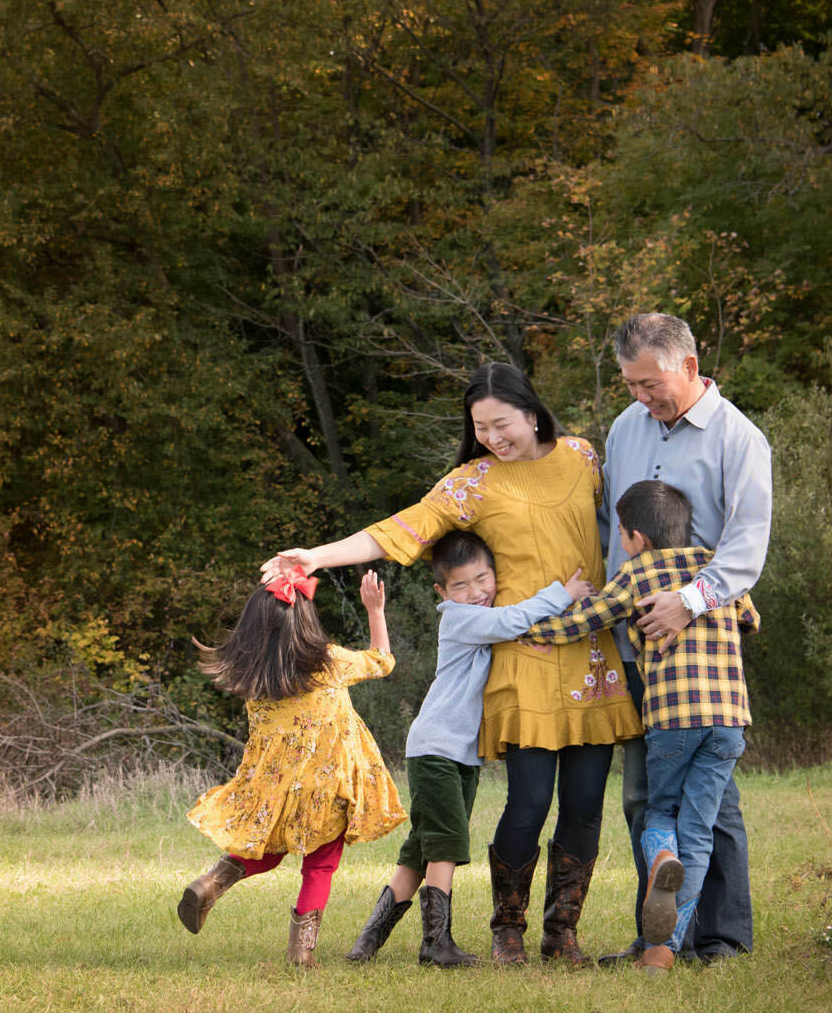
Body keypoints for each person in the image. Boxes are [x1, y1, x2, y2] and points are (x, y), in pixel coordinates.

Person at [264, 363, 638, 966]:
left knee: (587, 802)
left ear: (533, 412)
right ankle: (508, 929)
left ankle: (561, 933)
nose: (492, 436)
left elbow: (628, 525)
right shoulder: (471, 483)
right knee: (528, 802)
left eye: (502, 423)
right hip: (524, 657)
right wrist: (317, 556)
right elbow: (398, 532)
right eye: (480, 427)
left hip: (592, 654)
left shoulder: (582, 457)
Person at [522, 481, 760, 973]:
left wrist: (526, 627)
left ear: (635, 538)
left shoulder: (635, 573)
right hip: (729, 723)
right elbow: (751, 618)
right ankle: (662, 952)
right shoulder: (716, 567)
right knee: (700, 829)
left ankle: (660, 859)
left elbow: (584, 620)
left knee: (660, 813)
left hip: (672, 722)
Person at [599, 313, 772, 964]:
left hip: (702, 644)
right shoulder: (624, 430)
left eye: (651, 382)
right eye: (632, 384)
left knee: (711, 801)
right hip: (637, 644)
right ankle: (662, 938)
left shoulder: (739, 439)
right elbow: (610, 526)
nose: (642, 396)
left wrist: (689, 602)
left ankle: (718, 938)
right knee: (646, 795)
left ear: (690, 367)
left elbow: (746, 546)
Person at [343, 530, 589, 968]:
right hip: (437, 749)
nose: (475, 592)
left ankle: (366, 945)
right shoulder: (459, 618)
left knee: (419, 852)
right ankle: (436, 944)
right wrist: (563, 593)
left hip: (458, 755)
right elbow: (514, 620)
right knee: (446, 845)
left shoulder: (475, 610)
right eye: (461, 585)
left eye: (482, 579)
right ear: (442, 592)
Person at [176, 565, 407, 969]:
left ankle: (212, 882)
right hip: (327, 789)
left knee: (267, 850)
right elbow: (383, 660)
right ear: (307, 621)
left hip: (273, 790)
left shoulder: (250, 676)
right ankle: (301, 953)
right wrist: (375, 609)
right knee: (319, 865)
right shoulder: (331, 663)